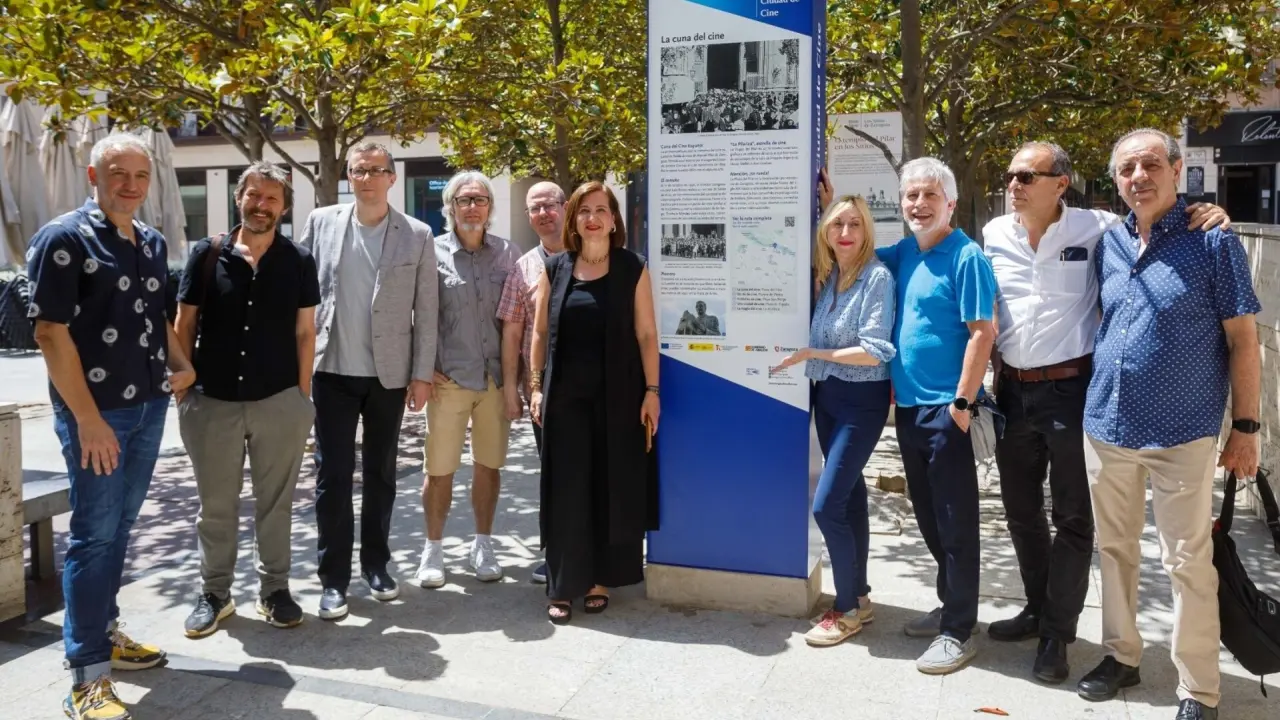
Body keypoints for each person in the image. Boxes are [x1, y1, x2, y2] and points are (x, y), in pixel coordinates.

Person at [982, 142, 1230, 685]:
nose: (1014, 184)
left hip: (1073, 391)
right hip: (1013, 393)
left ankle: (1057, 635)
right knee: (1021, 512)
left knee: (1074, 518)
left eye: (1027, 175)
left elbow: (1152, 217)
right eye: (1010, 174)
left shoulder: (1097, 228)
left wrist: (1208, 210)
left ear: (1060, 183)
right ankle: (1036, 609)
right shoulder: (994, 233)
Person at [1077, 128, 1260, 720]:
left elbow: (1243, 340)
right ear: (1116, 180)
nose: (1139, 177)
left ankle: (1199, 690)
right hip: (1107, 424)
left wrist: (1246, 427)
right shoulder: (1109, 242)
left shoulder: (1213, 241)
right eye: (1127, 168)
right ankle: (1122, 655)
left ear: (1177, 171)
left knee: (1187, 562)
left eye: (1151, 165)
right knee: (1114, 549)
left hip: (1183, 431)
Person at [27, 132, 196, 720]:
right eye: (118, 173)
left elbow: (157, 318)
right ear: (93, 176)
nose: (131, 185)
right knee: (93, 536)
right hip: (97, 414)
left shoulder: (149, 240)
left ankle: (105, 631)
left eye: (140, 175)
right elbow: (50, 333)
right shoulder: (63, 238)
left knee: (119, 529)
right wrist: (88, 420)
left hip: (148, 406)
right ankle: (87, 676)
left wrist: (182, 363)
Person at [174, 162, 319, 637]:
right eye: (254, 195)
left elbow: (305, 332)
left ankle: (274, 590)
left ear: (284, 207)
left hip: (280, 400)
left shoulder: (299, 260)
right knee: (216, 506)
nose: (261, 205)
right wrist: (183, 389)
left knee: (276, 504)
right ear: (239, 198)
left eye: (272, 198)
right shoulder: (207, 254)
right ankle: (215, 593)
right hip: (211, 401)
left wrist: (302, 397)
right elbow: (185, 323)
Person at [299, 141, 438, 620]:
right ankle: (333, 579)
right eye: (359, 170)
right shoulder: (321, 222)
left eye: (377, 170)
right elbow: (301, 293)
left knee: (381, 473)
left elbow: (427, 310)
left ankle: (376, 565)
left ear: (392, 178)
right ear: (349, 176)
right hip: (331, 370)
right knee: (332, 476)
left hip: (389, 375)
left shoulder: (417, 233)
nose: (368, 178)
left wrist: (421, 374)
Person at [876, 158, 997, 674]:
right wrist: (823, 202)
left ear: (950, 203)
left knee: (955, 522)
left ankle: (958, 630)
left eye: (930, 195)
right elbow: (851, 248)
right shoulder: (906, 251)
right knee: (927, 516)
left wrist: (962, 405)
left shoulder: (967, 257)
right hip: (908, 409)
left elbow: (982, 333)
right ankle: (951, 605)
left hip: (947, 411)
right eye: (911, 196)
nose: (919, 204)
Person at [529, 181, 660, 624]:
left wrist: (652, 392)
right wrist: (535, 386)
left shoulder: (632, 268)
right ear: (574, 219)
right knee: (567, 490)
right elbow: (539, 333)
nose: (593, 218)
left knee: (610, 485)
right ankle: (563, 584)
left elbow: (647, 335)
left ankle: (601, 578)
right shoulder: (556, 268)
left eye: (601, 210)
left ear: (614, 219)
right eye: (584, 210)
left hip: (619, 400)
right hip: (565, 400)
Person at [773, 195, 895, 647]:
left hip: (861, 403)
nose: (845, 233)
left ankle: (845, 610)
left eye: (855, 225)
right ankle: (858, 596)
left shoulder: (876, 277)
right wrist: (832, 199)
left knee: (826, 506)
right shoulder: (832, 278)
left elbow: (874, 351)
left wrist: (814, 354)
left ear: (867, 232)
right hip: (828, 399)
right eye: (837, 224)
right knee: (850, 498)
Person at [415, 171, 521, 587]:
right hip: (449, 380)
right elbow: (414, 312)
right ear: (451, 207)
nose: (472, 207)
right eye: (464, 199)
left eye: (480, 199)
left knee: (488, 465)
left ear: (490, 207)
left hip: (494, 380)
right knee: (439, 468)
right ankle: (433, 549)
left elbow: (518, 320)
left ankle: (483, 544)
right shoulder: (430, 252)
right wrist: (421, 368)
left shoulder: (507, 254)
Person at [497, 180, 566, 585]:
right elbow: (511, 334)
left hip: (592, 387)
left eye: (550, 205)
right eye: (535, 208)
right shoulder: (522, 268)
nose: (543, 214)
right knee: (553, 475)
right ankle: (557, 555)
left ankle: (597, 555)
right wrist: (512, 389)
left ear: (565, 207)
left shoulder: (592, 257)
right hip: (544, 392)